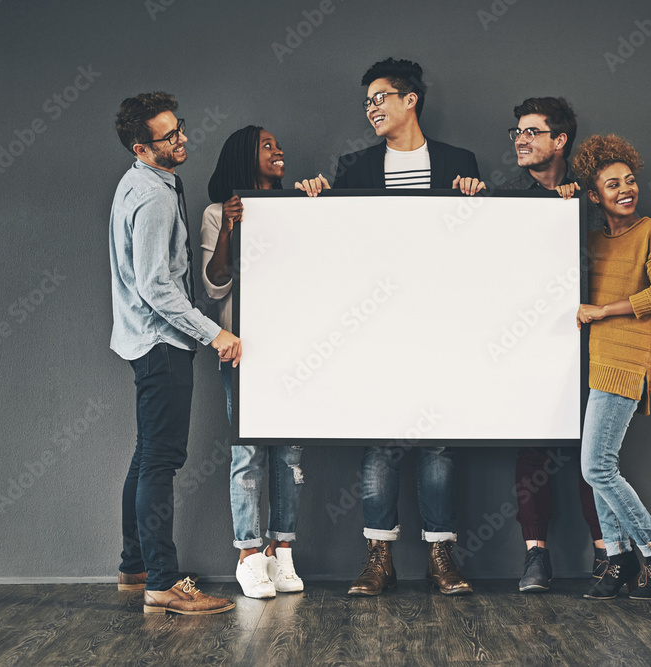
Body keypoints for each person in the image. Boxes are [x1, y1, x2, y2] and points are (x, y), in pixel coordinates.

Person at [296, 57, 480, 596]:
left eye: (381, 97)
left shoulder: (457, 162)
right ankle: (378, 557)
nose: (372, 107)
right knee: (378, 441)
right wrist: (314, 201)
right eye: (367, 101)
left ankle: (441, 556)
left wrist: (477, 197)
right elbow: (342, 243)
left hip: (441, 325)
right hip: (373, 328)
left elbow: (479, 246)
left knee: (438, 444)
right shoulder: (354, 165)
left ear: (410, 100)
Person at [458, 97, 606, 593]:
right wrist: (474, 201)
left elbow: (613, 256)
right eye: (516, 131)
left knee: (593, 455)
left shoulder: (592, 198)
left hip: (589, 345)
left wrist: (579, 208)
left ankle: (607, 555)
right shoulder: (509, 199)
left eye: (533, 132)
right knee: (531, 452)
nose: (520, 140)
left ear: (560, 140)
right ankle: (535, 559)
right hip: (526, 344)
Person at [110, 91, 241, 615]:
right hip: (161, 343)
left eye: (179, 127)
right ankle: (163, 583)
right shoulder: (155, 196)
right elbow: (155, 286)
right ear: (143, 148)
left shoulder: (142, 181)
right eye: (169, 136)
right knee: (161, 461)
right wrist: (214, 333)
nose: (182, 138)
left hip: (146, 341)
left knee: (147, 456)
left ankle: (134, 566)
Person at [559, 134, 651, 600]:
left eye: (629, 181)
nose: (625, 189)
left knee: (596, 467)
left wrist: (602, 310)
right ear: (594, 195)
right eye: (612, 185)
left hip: (625, 363)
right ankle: (616, 562)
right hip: (591, 367)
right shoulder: (592, 240)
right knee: (600, 466)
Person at [201, 126, 305, 599]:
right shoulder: (215, 213)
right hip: (243, 351)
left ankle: (281, 550)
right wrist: (228, 225)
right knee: (248, 451)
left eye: (277, 144)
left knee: (290, 452)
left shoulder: (294, 209)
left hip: (294, 349)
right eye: (267, 145)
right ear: (245, 156)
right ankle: (248, 552)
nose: (278, 150)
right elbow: (215, 285)